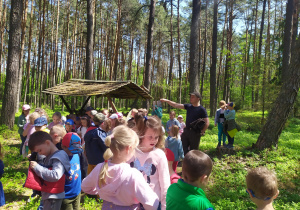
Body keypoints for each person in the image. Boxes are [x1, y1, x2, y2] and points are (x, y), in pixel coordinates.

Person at [82, 125, 160, 209]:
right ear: (128, 148)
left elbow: (85, 187)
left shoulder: (99, 168)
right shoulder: (133, 175)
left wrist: (101, 190)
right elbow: (152, 203)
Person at [129, 115, 170, 210]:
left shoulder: (159, 155)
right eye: (150, 136)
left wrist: (165, 207)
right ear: (141, 134)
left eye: (156, 137)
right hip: (132, 203)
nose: (154, 140)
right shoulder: (130, 152)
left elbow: (165, 183)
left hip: (153, 204)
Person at [28, 131, 71, 210]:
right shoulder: (49, 155)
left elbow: (56, 175)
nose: (40, 154)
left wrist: (37, 167)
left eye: (39, 150)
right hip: (49, 194)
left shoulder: (58, 156)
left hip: (53, 196)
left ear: (47, 143)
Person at [61, 133, 83, 210]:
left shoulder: (77, 154)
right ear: (63, 146)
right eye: (71, 150)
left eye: (76, 150)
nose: (73, 153)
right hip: (66, 196)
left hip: (77, 192)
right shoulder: (60, 159)